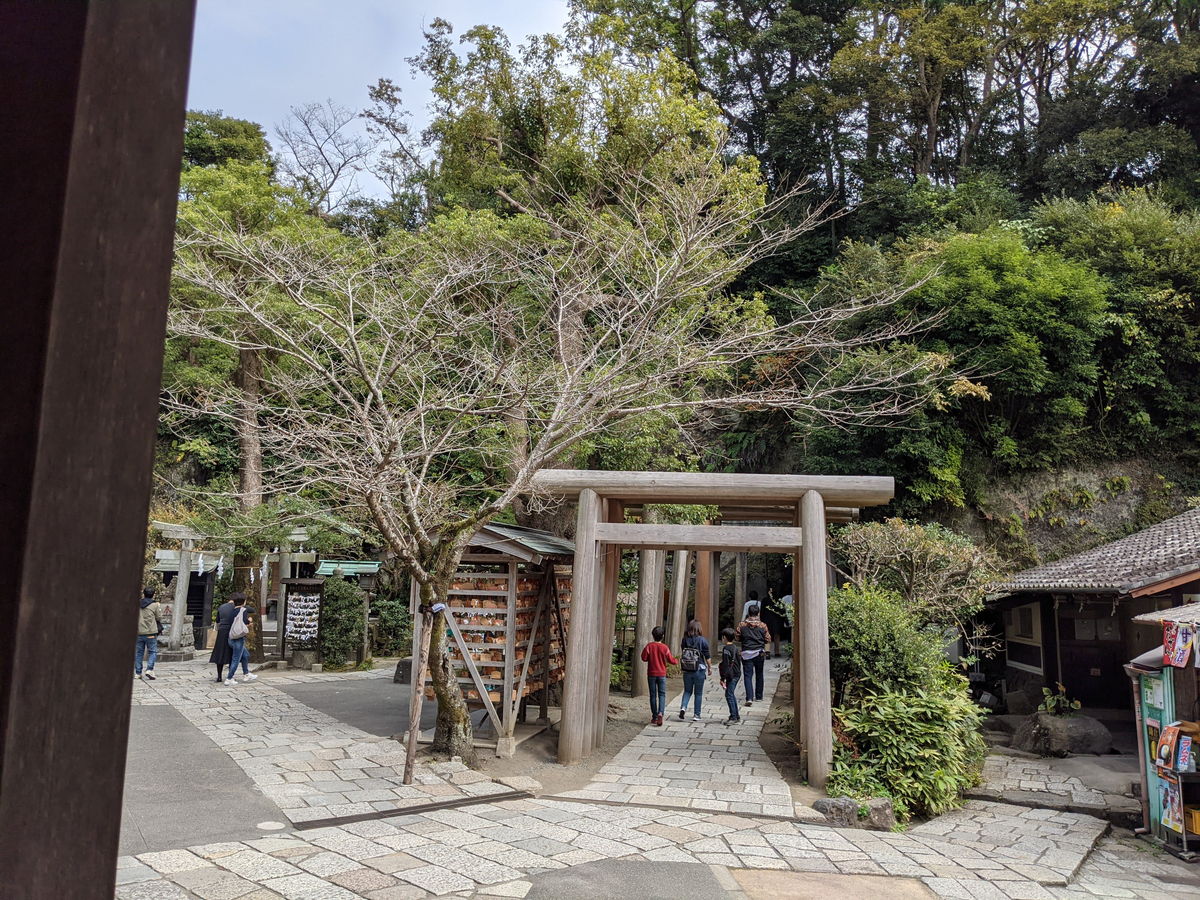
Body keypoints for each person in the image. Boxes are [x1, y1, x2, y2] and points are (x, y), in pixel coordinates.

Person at [640, 625, 677, 726]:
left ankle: (654, 717)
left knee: (653, 695)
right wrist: (677, 661)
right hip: (662, 674)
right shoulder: (665, 648)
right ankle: (661, 713)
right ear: (663, 636)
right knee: (662, 694)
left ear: (653, 636)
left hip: (651, 674)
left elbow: (643, 658)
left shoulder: (649, 646)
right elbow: (671, 660)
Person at [736, 604, 771, 707]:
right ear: (758, 613)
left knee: (748, 675)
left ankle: (749, 697)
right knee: (759, 674)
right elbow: (768, 639)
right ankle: (759, 696)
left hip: (746, 653)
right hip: (759, 652)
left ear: (748, 613)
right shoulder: (763, 625)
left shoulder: (742, 625)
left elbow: (737, 638)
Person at [677, 619, 711, 721]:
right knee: (698, 693)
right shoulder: (702, 640)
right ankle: (696, 715)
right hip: (699, 669)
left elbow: (683, 651)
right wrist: (709, 668)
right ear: (699, 629)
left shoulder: (685, 640)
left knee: (687, 691)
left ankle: (683, 707)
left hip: (687, 669)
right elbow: (707, 656)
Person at [224, 594, 258, 686]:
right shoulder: (243, 610)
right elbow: (244, 622)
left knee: (245, 655)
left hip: (231, 638)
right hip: (238, 639)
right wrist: (249, 620)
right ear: (244, 602)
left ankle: (246, 674)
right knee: (236, 659)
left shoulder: (232, 611)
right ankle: (229, 678)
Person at [135, 587, 162, 680]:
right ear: (153, 594)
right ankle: (149, 669)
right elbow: (159, 617)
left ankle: (138, 673)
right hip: (151, 632)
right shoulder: (155, 605)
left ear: (144, 593)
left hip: (139, 631)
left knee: (139, 652)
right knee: (152, 651)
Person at [718, 627, 741, 725]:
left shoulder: (726, 649)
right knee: (731, 694)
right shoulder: (735, 648)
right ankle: (736, 715)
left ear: (725, 637)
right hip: (737, 673)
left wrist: (723, 678)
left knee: (729, 695)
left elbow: (725, 665)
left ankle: (733, 716)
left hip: (730, 675)